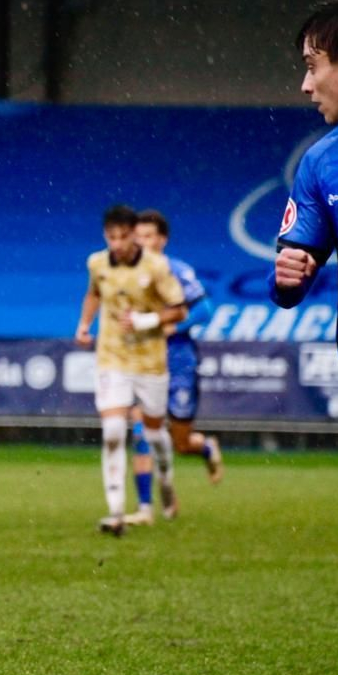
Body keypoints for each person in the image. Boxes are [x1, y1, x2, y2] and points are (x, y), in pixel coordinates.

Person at [74, 205, 186, 537]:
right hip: (112, 357)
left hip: (150, 361)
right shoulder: (97, 263)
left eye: (124, 237)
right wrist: (83, 325)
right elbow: (94, 293)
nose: (118, 244)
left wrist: (145, 320)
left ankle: (165, 478)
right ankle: (116, 513)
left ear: (133, 236)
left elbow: (178, 311)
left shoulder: (156, 266)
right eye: (112, 237)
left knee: (154, 434)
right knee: (112, 432)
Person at [122, 209, 223, 526]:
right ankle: (144, 508)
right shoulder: (126, 274)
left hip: (178, 363)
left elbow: (205, 309)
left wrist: (172, 328)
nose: (143, 242)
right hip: (143, 362)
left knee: (181, 443)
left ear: (162, 240)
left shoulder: (175, 270)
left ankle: (205, 447)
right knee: (141, 430)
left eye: (149, 236)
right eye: (138, 237)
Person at [271, 1, 338, 338]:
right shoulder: (320, 162)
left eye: (313, 66)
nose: (305, 85)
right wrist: (286, 275)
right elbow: (289, 284)